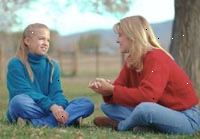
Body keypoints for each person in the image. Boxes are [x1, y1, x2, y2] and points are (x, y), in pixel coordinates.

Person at [89, 15, 200, 134]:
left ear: (133, 35)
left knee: (145, 109)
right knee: (107, 107)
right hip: (160, 111)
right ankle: (145, 126)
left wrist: (113, 89)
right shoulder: (132, 60)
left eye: (120, 35)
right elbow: (118, 90)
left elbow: (149, 97)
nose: (117, 40)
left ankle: (121, 125)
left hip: (187, 118)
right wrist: (106, 90)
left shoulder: (157, 58)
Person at [7, 23, 94, 127]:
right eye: (41, 39)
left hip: (51, 109)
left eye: (48, 40)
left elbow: (57, 92)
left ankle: (34, 122)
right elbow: (24, 91)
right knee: (18, 102)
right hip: (33, 107)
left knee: (87, 103)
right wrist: (51, 106)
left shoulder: (53, 65)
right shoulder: (16, 64)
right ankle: (68, 120)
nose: (45, 43)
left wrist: (60, 108)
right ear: (27, 41)